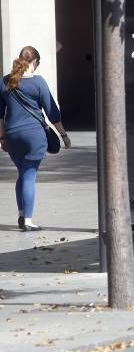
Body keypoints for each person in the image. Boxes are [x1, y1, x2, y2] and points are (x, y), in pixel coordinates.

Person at [0, 46, 71, 231]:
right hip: (34, 137)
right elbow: (52, 112)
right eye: (37, 64)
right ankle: (29, 221)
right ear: (34, 63)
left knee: (22, 174)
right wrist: (63, 135)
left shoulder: (5, 82)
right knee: (29, 176)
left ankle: (22, 215)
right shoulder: (38, 82)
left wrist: (2, 137)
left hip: (12, 136)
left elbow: (0, 115)